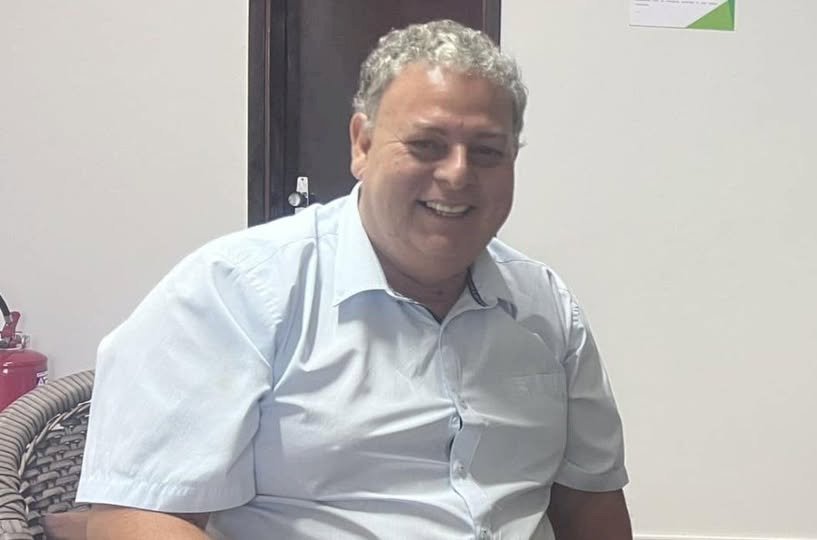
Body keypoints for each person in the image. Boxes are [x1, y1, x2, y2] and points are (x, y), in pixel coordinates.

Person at [77, 19, 631, 540]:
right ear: (362, 144)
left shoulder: (546, 307)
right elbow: (133, 516)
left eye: (487, 152)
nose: (458, 173)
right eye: (426, 145)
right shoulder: (234, 293)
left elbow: (591, 502)